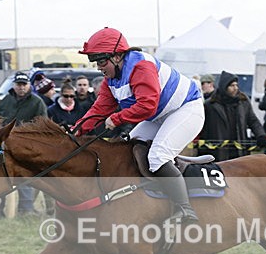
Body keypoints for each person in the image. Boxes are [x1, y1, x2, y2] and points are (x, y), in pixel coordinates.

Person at [76, 27, 204, 223]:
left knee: (157, 156)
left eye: (101, 61)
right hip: (159, 115)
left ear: (117, 56)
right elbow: (98, 110)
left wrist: (116, 119)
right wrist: (75, 131)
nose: (99, 68)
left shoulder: (141, 66)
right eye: (95, 62)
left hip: (186, 109)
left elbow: (147, 105)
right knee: (130, 148)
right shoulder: (110, 79)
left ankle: (186, 210)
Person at [0, 71, 48, 216]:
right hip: (5, 146)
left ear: (29, 85)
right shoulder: (6, 100)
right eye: (19, 84)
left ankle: (26, 210)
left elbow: (42, 125)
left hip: (26, 147)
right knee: (2, 177)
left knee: (25, 178)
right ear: (14, 85)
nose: (21, 88)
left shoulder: (37, 102)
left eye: (24, 84)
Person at [200, 70, 265, 161]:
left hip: (239, 150)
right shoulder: (210, 104)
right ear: (224, 87)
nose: (236, 88)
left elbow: (252, 120)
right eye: (232, 85)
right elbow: (202, 127)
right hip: (218, 152)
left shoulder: (243, 102)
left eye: (236, 85)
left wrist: (261, 135)